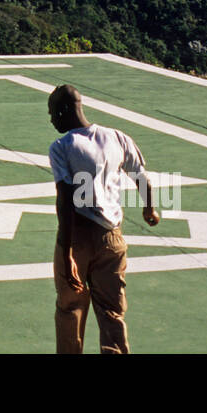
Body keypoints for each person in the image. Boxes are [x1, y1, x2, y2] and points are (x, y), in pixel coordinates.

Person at [47, 84, 160, 354]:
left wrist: (66, 252)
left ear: (63, 111)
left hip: (78, 237)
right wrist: (149, 209)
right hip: (112, 238)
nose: (51, 119)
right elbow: (141, 177)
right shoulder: (117, 138)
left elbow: (65, 198)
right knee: (112, 312)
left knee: (70, 309)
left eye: (52, 113)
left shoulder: (62, 147)